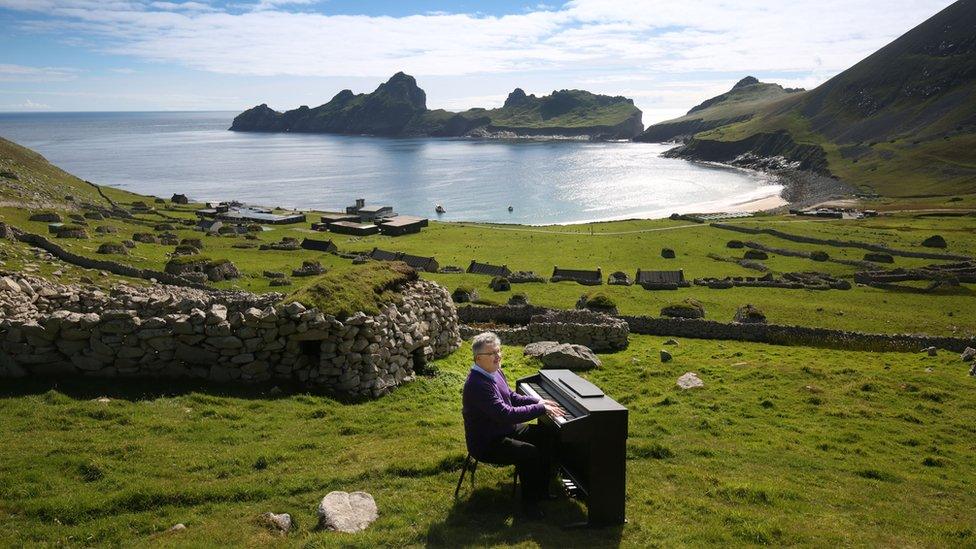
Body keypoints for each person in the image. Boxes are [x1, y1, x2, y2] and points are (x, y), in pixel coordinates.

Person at [461, 332, 563, 519]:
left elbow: (511, 397)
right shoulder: (476, 384)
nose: (498, 356)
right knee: (529, 453)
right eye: (492, 353)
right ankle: (529, 508)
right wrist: (540, 408)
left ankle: (542, 491)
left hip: (502, 430)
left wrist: (539, 400)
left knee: (546, 435)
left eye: (499, 351)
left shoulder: (495, 371)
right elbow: (505, 414)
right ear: (478, 359)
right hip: (487, 442)